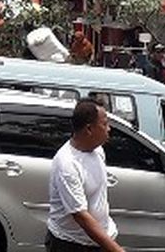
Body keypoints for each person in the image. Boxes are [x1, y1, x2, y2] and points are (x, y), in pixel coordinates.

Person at [46, 99, 123, 252]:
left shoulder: (98, 150)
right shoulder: (67, 164)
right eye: (105, 124)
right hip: (71, 244)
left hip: (97, 240)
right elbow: (81, 216)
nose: (109, 129)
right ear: (89, 129)